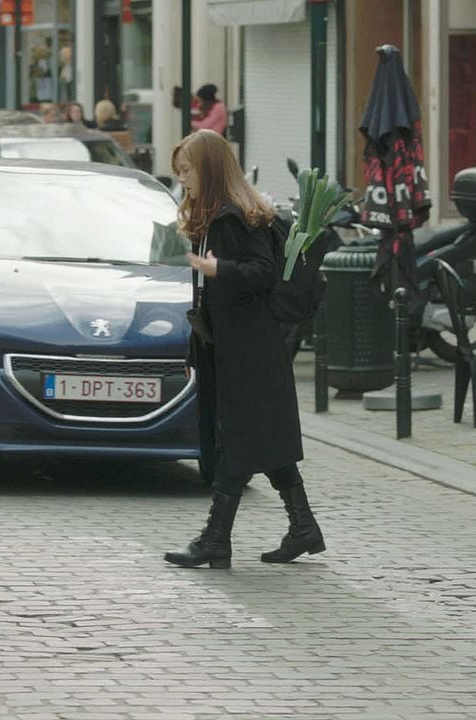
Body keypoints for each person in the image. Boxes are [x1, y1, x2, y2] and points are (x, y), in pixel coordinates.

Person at [163, 129, 325, 570]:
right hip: (241, 347)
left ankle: (215, 540)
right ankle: (303, 527)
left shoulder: (233, 217)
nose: (183, 180)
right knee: (263, 441)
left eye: (187, 171)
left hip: (248, 350)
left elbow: (263, 272)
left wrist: (219, 269)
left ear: (210, 170)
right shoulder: (223, 213)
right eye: (179, 173)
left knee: (237, 442)